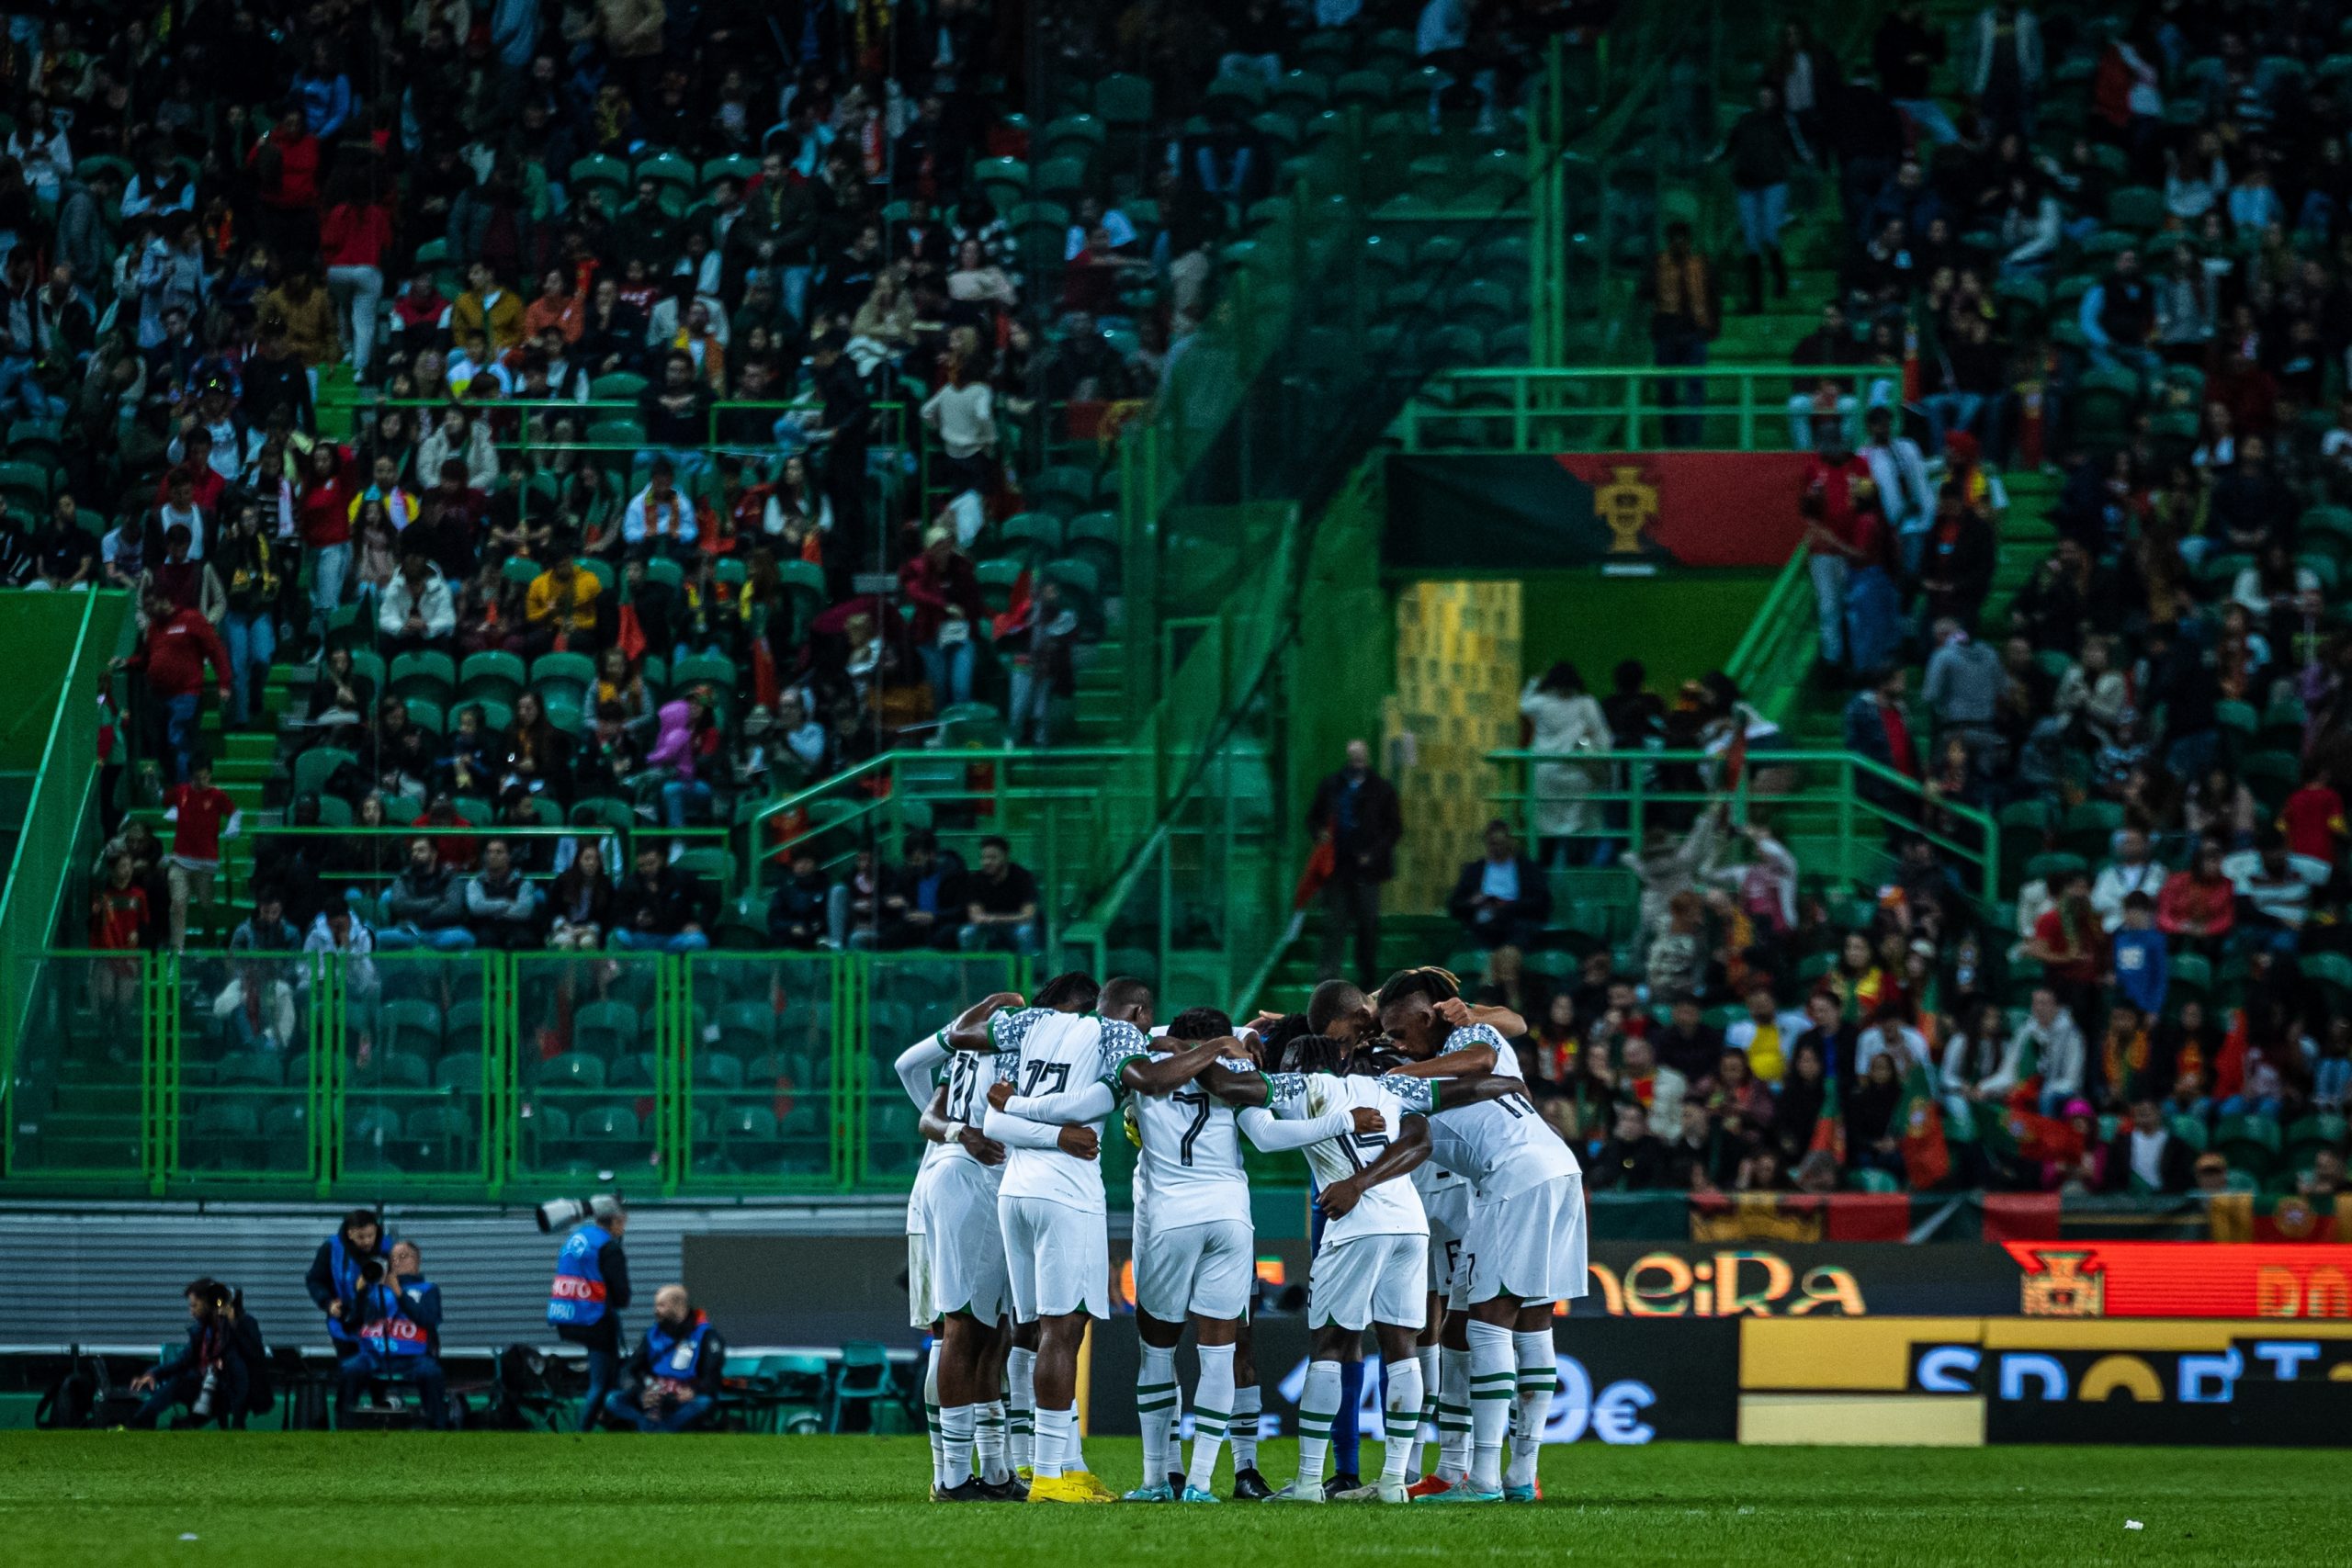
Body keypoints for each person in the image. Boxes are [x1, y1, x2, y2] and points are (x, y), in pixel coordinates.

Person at [1374, 970, 1581, 1505]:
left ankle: (1484, 1477)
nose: (1396, 1044)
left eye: (1401, 1033)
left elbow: (1482, 1059)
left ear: (1430, 1017)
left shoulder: (1466, 1038)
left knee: (1489, 1324)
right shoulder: (1456, 1043)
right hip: (1550, 1169)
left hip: (1513, 1177)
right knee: (1517, 1322)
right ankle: (1517, 1474)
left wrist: (1399, 1075)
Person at [961, 975, 1152, 1504]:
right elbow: (1095, 1103)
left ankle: (1065, 1464)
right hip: (1067, 1195)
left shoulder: (1030, 1029)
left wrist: (1024, 1111)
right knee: (1062, 1333)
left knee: (1042, 1330)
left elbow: (995, 1121)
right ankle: (1047, 1476)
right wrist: (1061, 1133)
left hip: (1015, 1194)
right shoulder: (1115, 1036)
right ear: (1134, 1013)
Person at [1306, 739, 1403, 987]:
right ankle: (1328, 981)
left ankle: (1367, 980)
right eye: (1353, 757)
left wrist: (1373, 853)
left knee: (1367, 926)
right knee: (1334, 924)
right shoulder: (1332, 785)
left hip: (1367, 870)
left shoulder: (1382, 789)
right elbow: (1313, 818)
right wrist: (1320, 834)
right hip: (1337, 867)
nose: (1357, 762)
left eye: (1360, 757)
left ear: (1367, 758)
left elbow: (1393, 829)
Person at [119, 589, 232, 784]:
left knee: (178, 738)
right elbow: (147, 659)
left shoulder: (192, 619)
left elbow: (216, 651)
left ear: (165, 600)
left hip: (186, 693)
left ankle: (185, 788)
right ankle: (177, 786)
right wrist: (127, 662)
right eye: (146, 607)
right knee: (161, 743)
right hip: (158, 696)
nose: (148, 610)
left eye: (151, 605)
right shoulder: (154, 628)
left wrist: (224, 683)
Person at [337, 1239, 451, 1429]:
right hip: (374, 1355)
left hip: (413, 1357)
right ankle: (344, 1427)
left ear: (417, 1260)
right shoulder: (376, 1291)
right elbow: (353, 1323)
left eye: (403, 1256)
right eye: (393, 1258)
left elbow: (427, 1319)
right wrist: (361, 1293)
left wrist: (398, 1291)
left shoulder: (428, 1289)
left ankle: (437, 1428)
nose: (397, 1262)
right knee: (349, 1368)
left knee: (431, 1373)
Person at [129, 1279, 267, 1429]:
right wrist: (153, 1374)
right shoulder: (202, 1330)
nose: (191, 1311)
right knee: (177, 1382)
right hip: (205, 1386)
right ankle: (139, 1424)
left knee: (193, 1385)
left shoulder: (243, 1323)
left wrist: (234, 1324)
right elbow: (182, 1361)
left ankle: (188, 1423)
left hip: (229, 1390)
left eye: (194, 1305)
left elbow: (256, 1356)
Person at [548, 1194, 633, 1432]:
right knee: (601, 1382)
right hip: (594, 1319)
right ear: (615, 1221)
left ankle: (609, 1422)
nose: (624, 1226)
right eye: (623, 1221)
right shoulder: (609, 1247)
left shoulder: (578, 1238)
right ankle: (582, 1434)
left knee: (604, 1377)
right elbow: (622, 1296)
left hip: (568, 1316)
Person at [1518, 661, 1610, 863]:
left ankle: (1542, 879)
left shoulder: (1540, 703)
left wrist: (1534, 682)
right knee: (1576, 841)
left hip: (1545, 776)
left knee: (1544, 843)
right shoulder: (1586, 704)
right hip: (1578, 778)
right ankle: (1574, 878)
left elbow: (1521, 705)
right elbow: (1604, 742)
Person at [605, 1284, 726, 1434]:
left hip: (684, 1398)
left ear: (678, 1306)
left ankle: (656, 1430)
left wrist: (693, 1391)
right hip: (654, 1395)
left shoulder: (706, 1335)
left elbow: (712, 1376)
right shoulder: (653, 1334)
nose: (656, 1310)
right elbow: (629, 1369)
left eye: (661, 1305)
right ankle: (652, 1427)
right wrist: (641, 1393)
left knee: (703, 1402)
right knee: (613, 1399)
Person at [1639, 221, 1718, 446]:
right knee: (1667, 389)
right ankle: (1671, 441)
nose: (1679, 243)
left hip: (1694, 334)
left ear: (1689, 241)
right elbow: (1644, 291)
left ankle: (1692, 441)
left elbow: (1713, 295)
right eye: (1675, 239)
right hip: (1667, 335)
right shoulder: (1659, 263)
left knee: (1695, 387)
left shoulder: (1701, 264)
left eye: (1683, 238)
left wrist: (1712, 328)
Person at [162, 755, 240, 952]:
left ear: (210, 775)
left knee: (207, 907)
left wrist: (233, 825)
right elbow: (162, 798)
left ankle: (210, 942)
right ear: (191, 776)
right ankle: (177, 951)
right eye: (198, 778)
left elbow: (235, 813)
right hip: (180, 859)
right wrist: (152, 783)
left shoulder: (217, 795)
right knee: (177, 904)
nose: (202, 782)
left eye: (205, 777)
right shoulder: (181, 792)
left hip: (206, 863)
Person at [1445, 819, 1551, 952]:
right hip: (1483, 924)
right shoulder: (1474, 870)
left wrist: (1506, 905)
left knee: (1516, 939)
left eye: (1501, 843)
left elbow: (1541, 901)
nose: (1497, 848)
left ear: (1510, 842)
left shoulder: (1527, 868)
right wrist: (1472, 902)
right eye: (1492, 844)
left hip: (1517, 921)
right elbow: (1454, 904)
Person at [304, 1210, 383, 1363]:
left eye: (371, 1235)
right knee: (350, 1368)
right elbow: (315, 1280)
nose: (367, 1241)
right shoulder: (331, 1248)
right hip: (343, 1324)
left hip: (379, 1326)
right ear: (350, 1233)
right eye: (361, 1237)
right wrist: (328, 1303)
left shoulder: (386, 1247)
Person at [955, 835, 1041, 954]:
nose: (987, 862)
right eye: (983, 858)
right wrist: (992, 920)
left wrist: (995, 919)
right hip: (987, 927)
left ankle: (1024, 966)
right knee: (966, 933)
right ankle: (968, 966)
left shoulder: (1023, 877)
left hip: (1014, 927)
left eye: (993, 858)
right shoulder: (975, 880)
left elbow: (1028, 915)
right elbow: (975, 917)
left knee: (1025, 932)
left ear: (1005, 857)